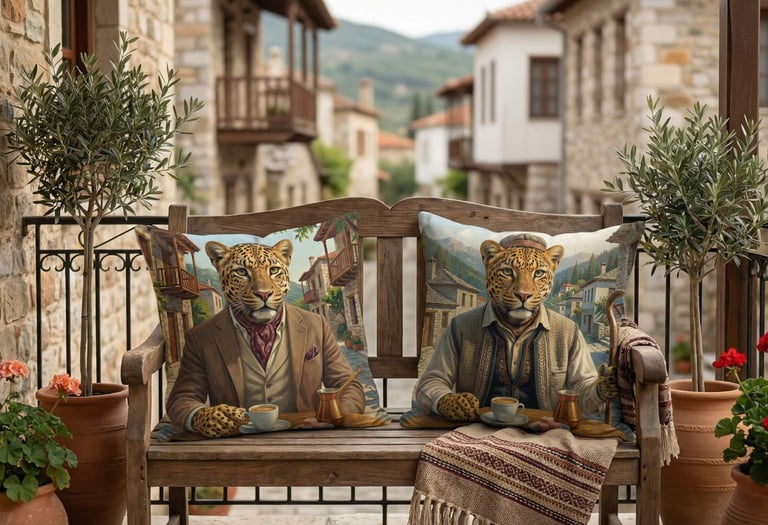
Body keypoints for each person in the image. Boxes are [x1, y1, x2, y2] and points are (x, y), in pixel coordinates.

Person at [166, 239, 365, 438]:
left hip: (306, 437)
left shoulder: (316, 325)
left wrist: (338, 417)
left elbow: (348, 384)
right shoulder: (202, 336)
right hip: (236, 444)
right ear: (220, 269)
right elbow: (182, 399)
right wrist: (200, 416)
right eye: (242, 272)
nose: (263, 289)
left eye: (274, 271)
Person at [413, 233, 617, 422]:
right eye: (507, 272)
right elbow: (429, 383)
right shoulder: (462, 327)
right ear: (489, 266)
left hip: (546, 435)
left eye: (538, 273)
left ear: (553, 269)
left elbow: (583, 394)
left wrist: (600, 391)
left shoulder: (567, 331)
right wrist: (445, 400)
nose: (523, 290)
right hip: (476, 434)